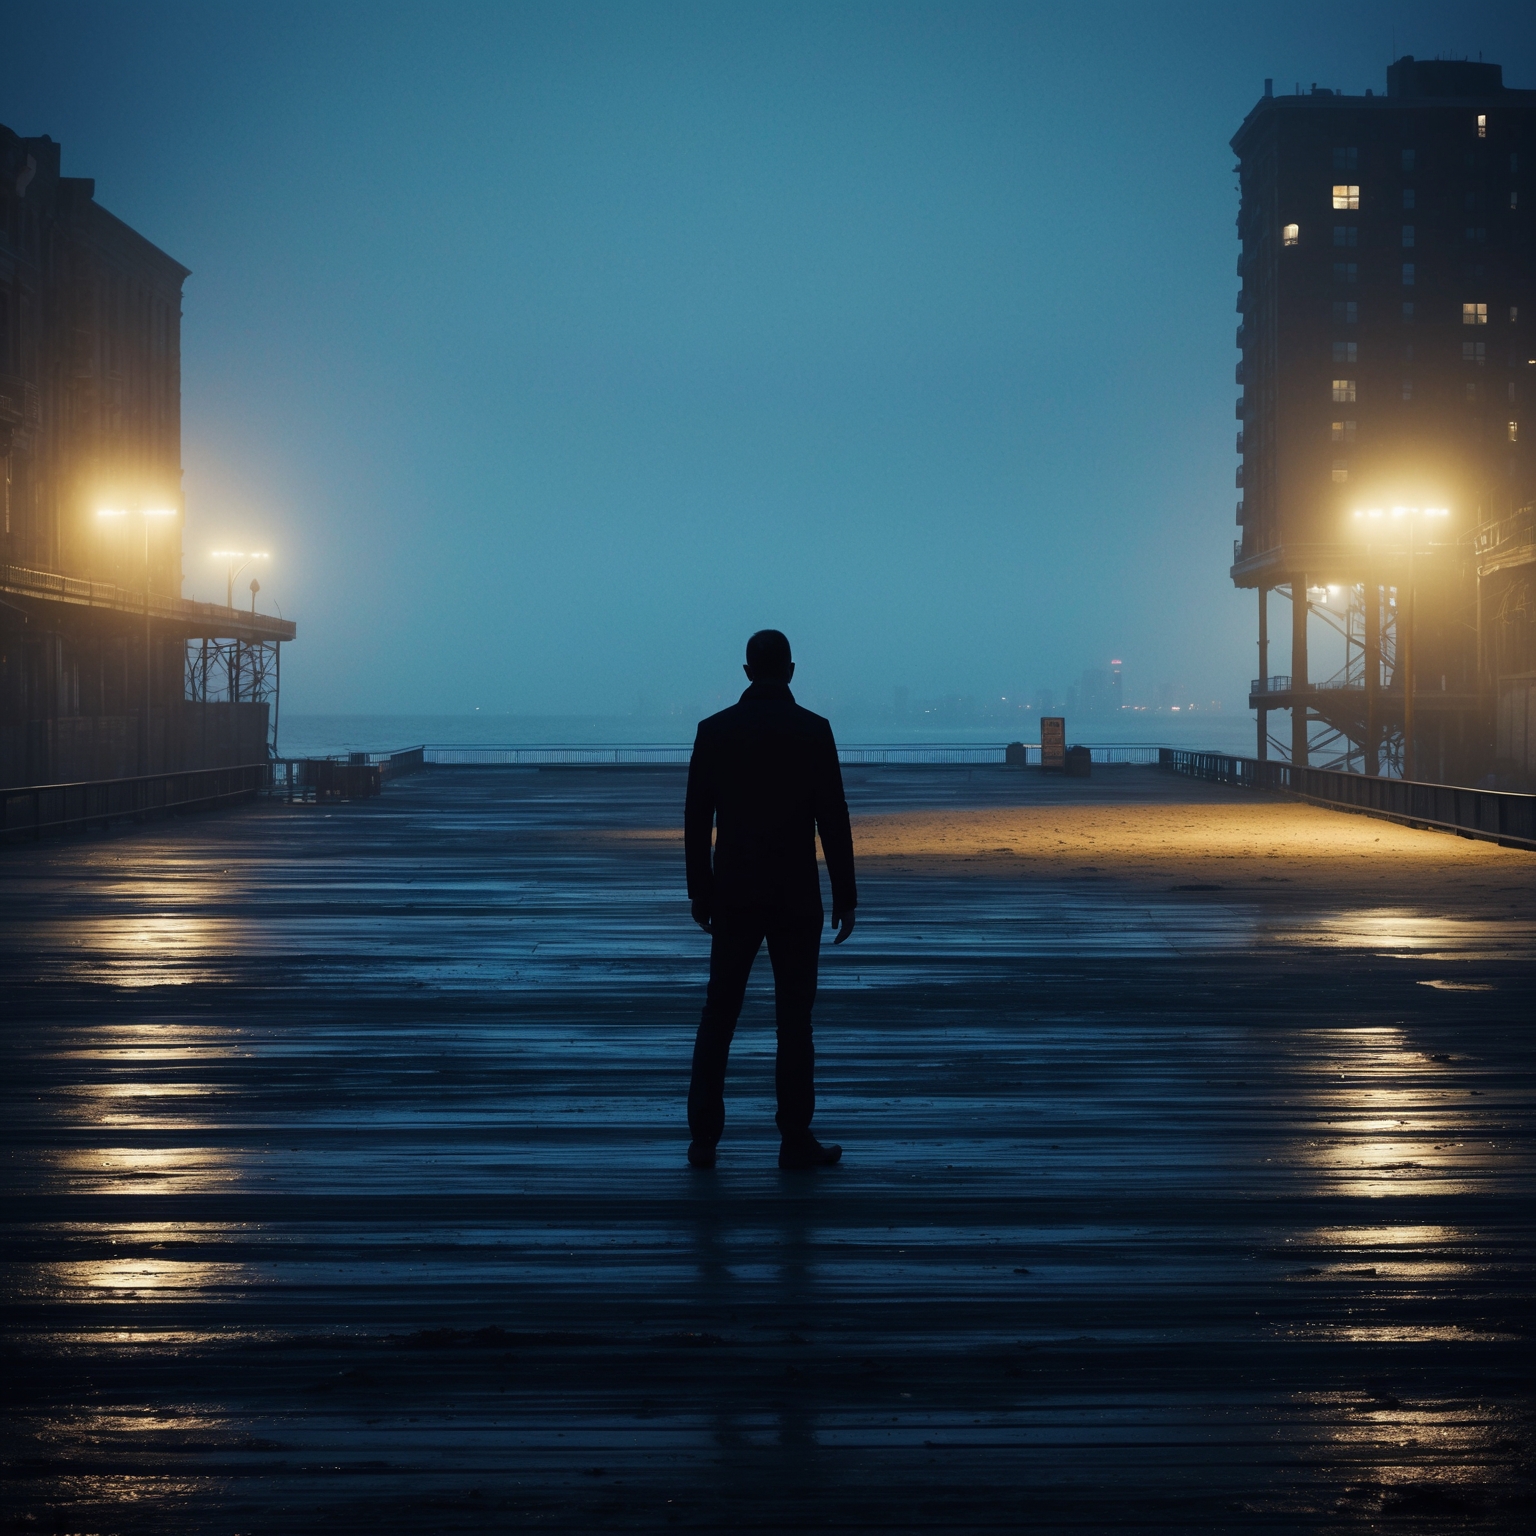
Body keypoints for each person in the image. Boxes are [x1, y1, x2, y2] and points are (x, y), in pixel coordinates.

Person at [683, 629, 856, 1170]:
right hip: (795, 894)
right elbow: (833, 819)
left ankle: (704, 1138)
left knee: (720, 1014)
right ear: (791, 670)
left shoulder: (714, 732)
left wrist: (699, 892)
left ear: (746, 671)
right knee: (794, 1021)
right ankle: (794, 1137)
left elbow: (695, 822)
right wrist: (846, 895)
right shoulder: (814, 731)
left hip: (733, 891)